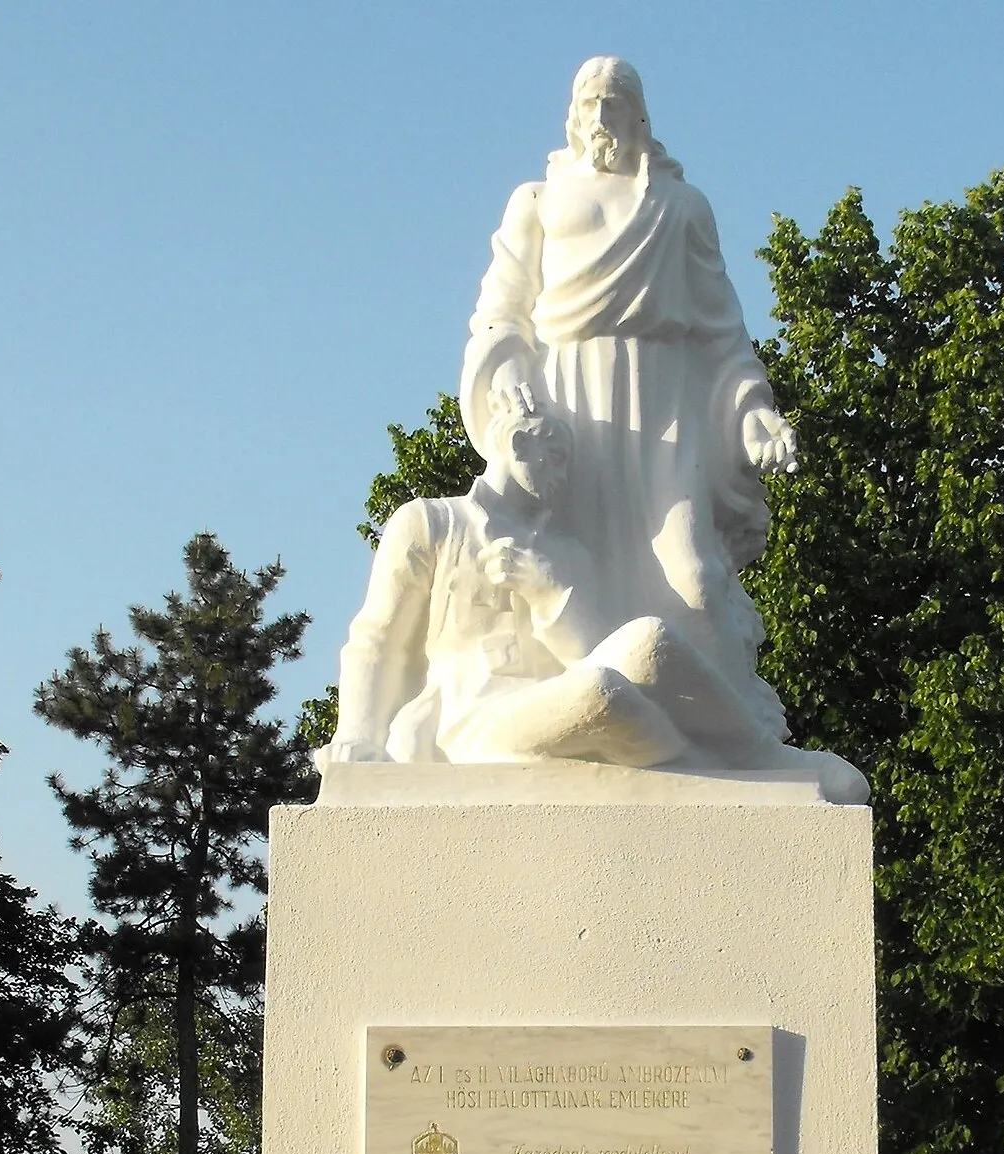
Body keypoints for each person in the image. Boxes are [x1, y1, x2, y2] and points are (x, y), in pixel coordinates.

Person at [461, 56, 797, 700]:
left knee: (693, 578)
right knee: (563, 569)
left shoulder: (683, 207)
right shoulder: (537, 202)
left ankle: (732, 733)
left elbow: (722, 330)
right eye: (589, 100)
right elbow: (500, 311)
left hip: (666, 404)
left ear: (640, 115)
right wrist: (506, 369)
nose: (601, 113)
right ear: (571, 116)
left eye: (614, 99)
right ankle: (588, 713)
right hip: (568, 408)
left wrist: (753, 409)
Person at [327, 392, 808, 771]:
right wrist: (356, 735)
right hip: (471, 722)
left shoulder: (566, 553)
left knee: (650, 639)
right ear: (518, 446)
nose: (562, 474)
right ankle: (704, 772)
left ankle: (755, 754)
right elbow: (376, 639)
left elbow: (591, 653)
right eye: (554, 458)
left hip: (551, 700)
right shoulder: (432, 523)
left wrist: (550, 592)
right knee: (597, 691)